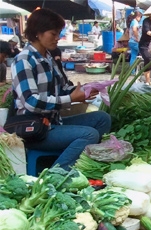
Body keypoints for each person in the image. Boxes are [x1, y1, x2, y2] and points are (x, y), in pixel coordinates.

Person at [10, 8, 111, 170]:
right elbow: (30, 102)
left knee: (102, 118)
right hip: (35, 129)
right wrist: (71, 98)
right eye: (53, 34)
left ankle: (79, 165)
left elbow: (62, 89)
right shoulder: (24, 60)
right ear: (38, 33)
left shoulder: (48, 58)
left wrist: (83, 90)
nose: (58, 38)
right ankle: (56, 175)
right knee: (89, 134)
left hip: (55, 122)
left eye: (59, 33)